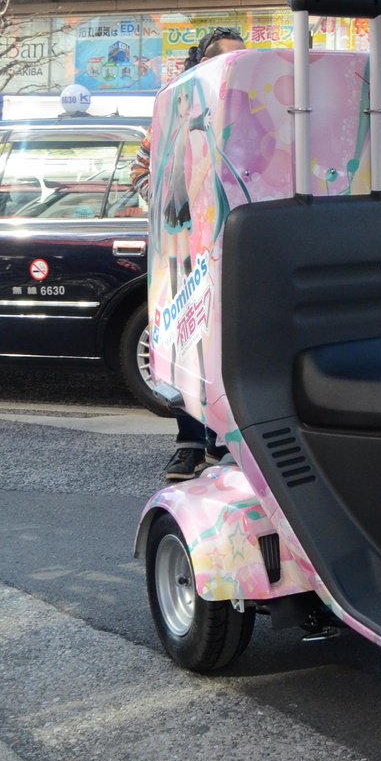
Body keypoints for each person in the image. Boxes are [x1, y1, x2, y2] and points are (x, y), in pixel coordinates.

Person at [132, 27, 247, 480]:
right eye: (227, 61)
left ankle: (225, 443)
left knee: (227, 349)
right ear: (203, 66)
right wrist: (166, 206)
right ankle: (189, 444)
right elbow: (140, 171)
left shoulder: (246, 112)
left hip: (234, 251)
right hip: (183, 253)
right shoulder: (171, 112)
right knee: (186, 346)